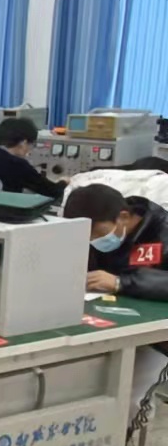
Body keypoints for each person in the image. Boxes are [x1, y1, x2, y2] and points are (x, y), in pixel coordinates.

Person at [64, 183, 168, 427]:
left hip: (153, 338)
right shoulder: (88, 234)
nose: (92, 241)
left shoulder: (162, 232)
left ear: (123, 217)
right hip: (101, 323)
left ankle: (122, 439)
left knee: (129, 398)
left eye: (97, 234)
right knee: (73, 383)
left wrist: (121, 283)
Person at [0, 118, 66, 197]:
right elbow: (53, 191)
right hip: (8, 212)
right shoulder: (19, 165)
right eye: (32, 145)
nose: (30, 150)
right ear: (23, 143)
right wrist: (64, 182)